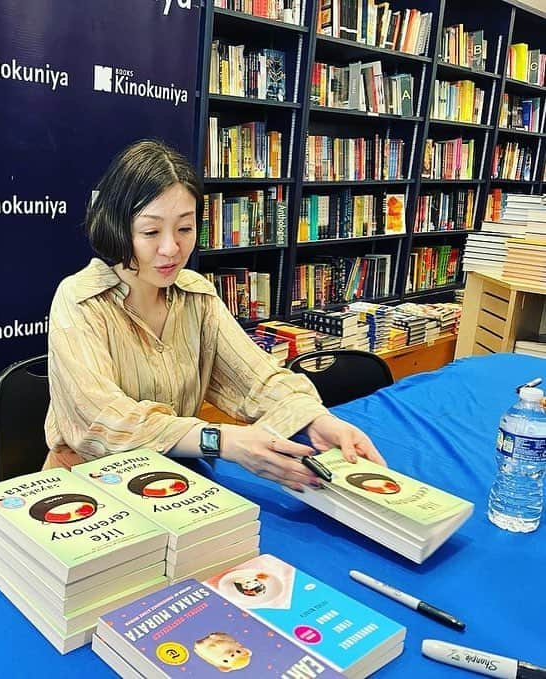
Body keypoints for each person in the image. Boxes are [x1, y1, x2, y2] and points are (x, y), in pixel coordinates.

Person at [43, 139, 385, 490]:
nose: (171, 249)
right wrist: (221, 440)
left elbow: (257, 380)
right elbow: (105, 423)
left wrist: (315, 419)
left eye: (185, 229)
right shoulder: (80, 300)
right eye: (150, 232)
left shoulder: (196, 295)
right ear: (117, 227)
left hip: (173, 483)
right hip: (89, 486)